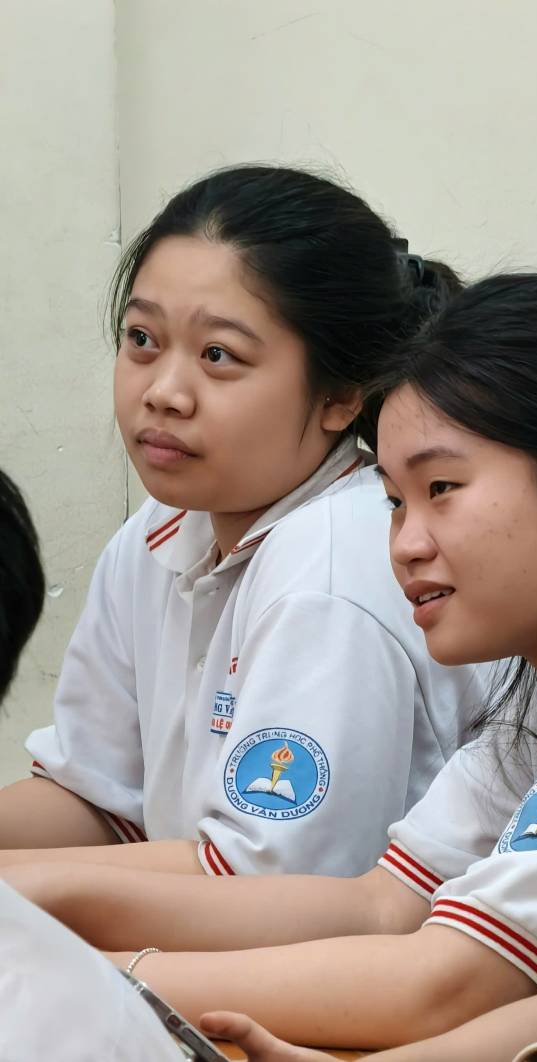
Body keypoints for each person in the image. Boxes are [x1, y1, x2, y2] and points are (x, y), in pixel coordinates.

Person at [5, 274, 537, 1055]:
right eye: (396, 501)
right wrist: (44, 906)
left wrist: (89, 973)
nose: (405, 545)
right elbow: (384, 903)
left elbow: (448, 981)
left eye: (443, 489)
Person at [0, 165, 485, 879]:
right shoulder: (162, 529)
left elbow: (261, 886)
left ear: (342, 394)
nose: (164, 392)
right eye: (142, 339)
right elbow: (96, 797)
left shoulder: (334, 565)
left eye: (218, 355)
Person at [0, 467, 184, 1060]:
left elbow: (261, 871)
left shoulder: (331, 578)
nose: (163, 407)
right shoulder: (155, 529)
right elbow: (94, 788)